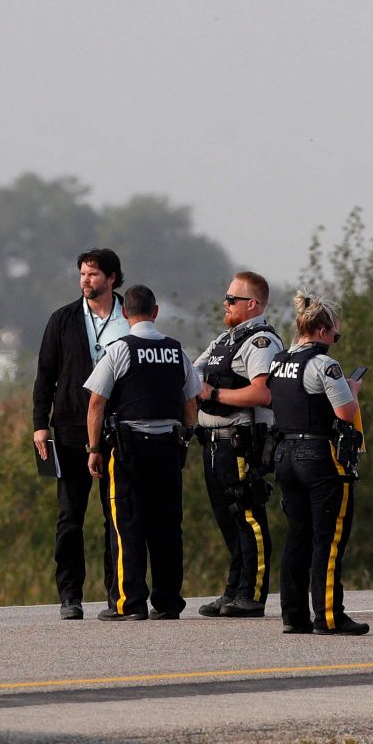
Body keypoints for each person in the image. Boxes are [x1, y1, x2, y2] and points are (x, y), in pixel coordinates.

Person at [83, 285, 200, 621]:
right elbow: (190, 402)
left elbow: (96, 401)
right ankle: (167, 602)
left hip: (129, 449)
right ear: (156, 311)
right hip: (168, 449)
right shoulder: (176, 351)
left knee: (127, 525)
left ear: (124, 313)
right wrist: (185, 435)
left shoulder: (120, 350)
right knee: (167, 527)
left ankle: (128, 603)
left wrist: (94, 448)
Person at [31, 248, 131, 618]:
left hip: (118, 429)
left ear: (112, 278)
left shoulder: (129, 317)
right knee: (70, 517)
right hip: (71, 427)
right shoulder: (63, 319)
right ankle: (70, 596)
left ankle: (116, 593)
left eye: (93, 275)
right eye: (82, 274)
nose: (86, 281)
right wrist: (40, 424)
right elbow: (45, 374)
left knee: (116, 517)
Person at [270, 293, 366, 636]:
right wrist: (353, 389)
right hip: (319, 456)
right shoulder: (326, 365)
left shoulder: (279, 361)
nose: (334, 342)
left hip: (284, 453)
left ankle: (293, 616)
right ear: (323, 331)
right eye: (335, 336)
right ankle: (328, 615)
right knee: (329, 537)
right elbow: (345, 412)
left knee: (297, 536)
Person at [193, 270, 283, 617]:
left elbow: (263, 391)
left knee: (248, 516)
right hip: (214, 442)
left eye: (231, 299)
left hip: (241, 442)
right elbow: (193, 374)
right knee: (227, 518)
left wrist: (214, 393)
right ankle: (234, 588)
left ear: (252, 304)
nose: (225, 304)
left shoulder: (261, 341)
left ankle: (253, 593)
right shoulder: (223, 341)